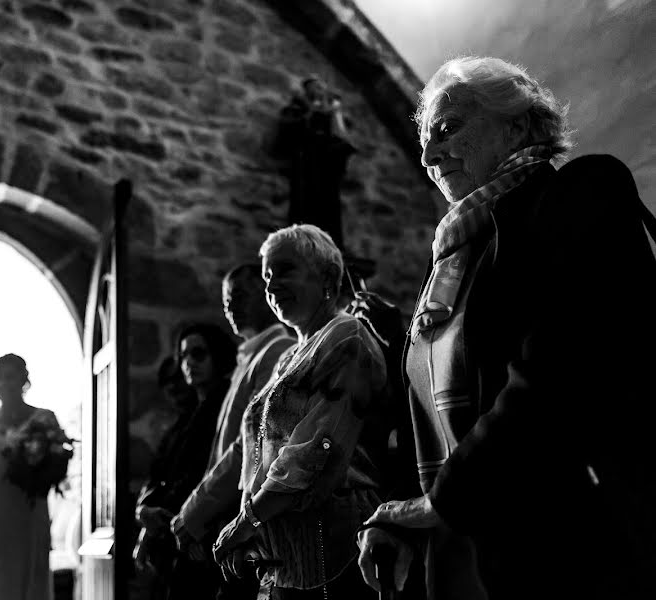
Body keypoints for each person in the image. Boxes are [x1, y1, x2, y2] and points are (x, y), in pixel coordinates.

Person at [356, 56, 656, 600]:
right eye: (424, 141)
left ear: (516, 124)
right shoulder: (449, 261)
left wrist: (440, 499)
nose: (427, 155)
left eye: (448, 129)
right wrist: (397, 513)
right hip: (464, 557)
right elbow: (425, 416)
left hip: (575, 547)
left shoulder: (579, 193)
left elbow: (562, 366)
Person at [212, 224, 389, 600]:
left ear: (326, 277)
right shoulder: (291, 355)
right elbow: (259, 453)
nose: (272, 286)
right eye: (267, 276)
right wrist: (253, 526)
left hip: (335, 542)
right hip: (282, 551)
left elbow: (315, 451)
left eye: (285, 270)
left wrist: (248, 521)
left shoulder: (347, 336)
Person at [171, 265, 295, 598]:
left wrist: (197, 512)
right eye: (226, 298)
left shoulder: (277, 351)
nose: (229, 305)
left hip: (243, 517)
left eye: (238, 294)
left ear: (267, 294)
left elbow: (252, 445)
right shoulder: (249, 358)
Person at [0, 354, 72, 600]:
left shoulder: (44, 419)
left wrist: (38, 468)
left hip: (27, 516)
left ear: (24, 380)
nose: (4, 383)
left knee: (25, 580)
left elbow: (57, 467)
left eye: (10, 376)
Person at [134, 325, 237, 600]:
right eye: (184, 356)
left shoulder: (225, 405)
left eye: (198, 353)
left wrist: (159, 513)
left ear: (218, 356)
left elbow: (205, 472)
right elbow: (159, 470)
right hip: (173, 532)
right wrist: (144, 510)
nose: (189, 362)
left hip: (201, 533)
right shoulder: (188, 416)